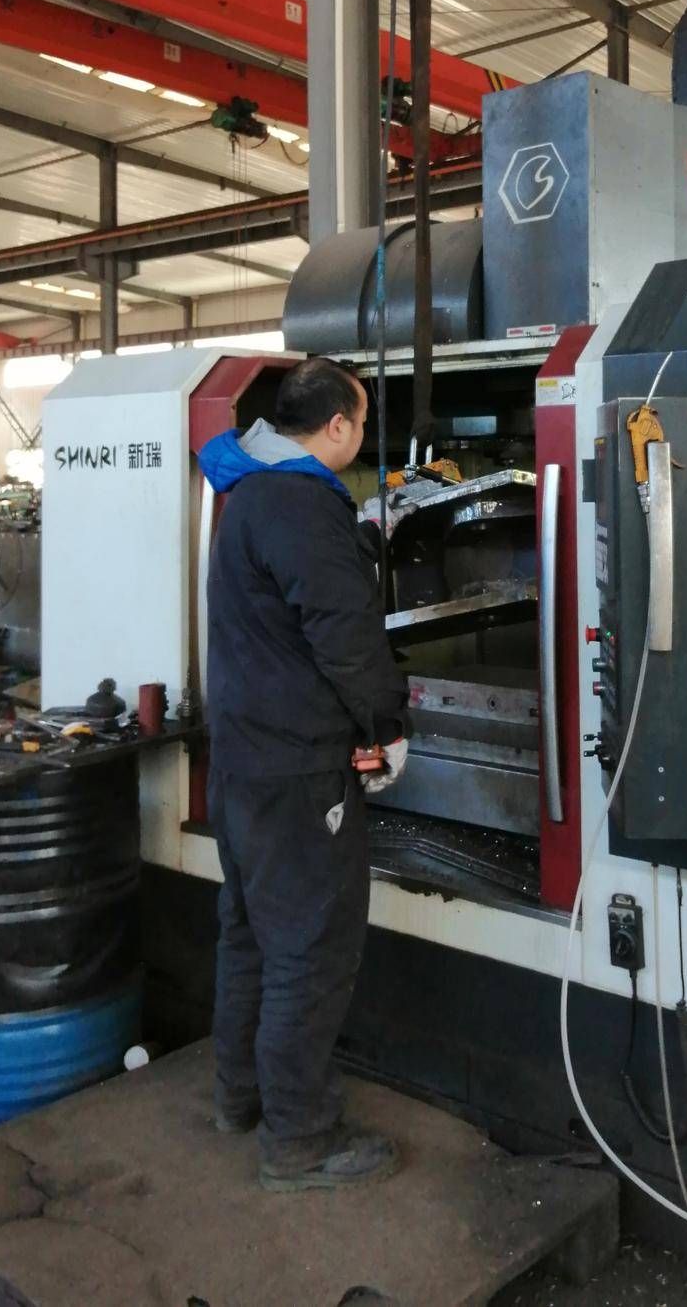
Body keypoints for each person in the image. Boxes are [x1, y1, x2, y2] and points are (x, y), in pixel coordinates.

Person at [198, 356, 408, 1192]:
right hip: (298, 773)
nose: (362, 437)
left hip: (241, 762)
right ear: (338, 427)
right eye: (362, 422)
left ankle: (239, 1098)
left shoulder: (249, 490)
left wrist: (358, 540)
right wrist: (387, 725)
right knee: (309, 952)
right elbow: (345, 635)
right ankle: (300, 1139)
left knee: (249, 936)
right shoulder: (303, 505)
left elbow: (288, 608)